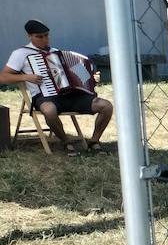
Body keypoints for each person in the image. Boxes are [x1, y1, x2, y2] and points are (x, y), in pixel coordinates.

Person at [1, 19, 113, 154]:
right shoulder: (20, 54)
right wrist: (26, 77)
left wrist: (92, 79)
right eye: (39, 37)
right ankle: (66, 142)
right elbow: (3, 77)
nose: (44, 39)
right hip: (44, 97)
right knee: (49, 111)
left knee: (106, 106)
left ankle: (94, 141)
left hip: (70, 95)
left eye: (46, 35)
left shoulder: (57, 53)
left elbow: (81, 76)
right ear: (29, 36)